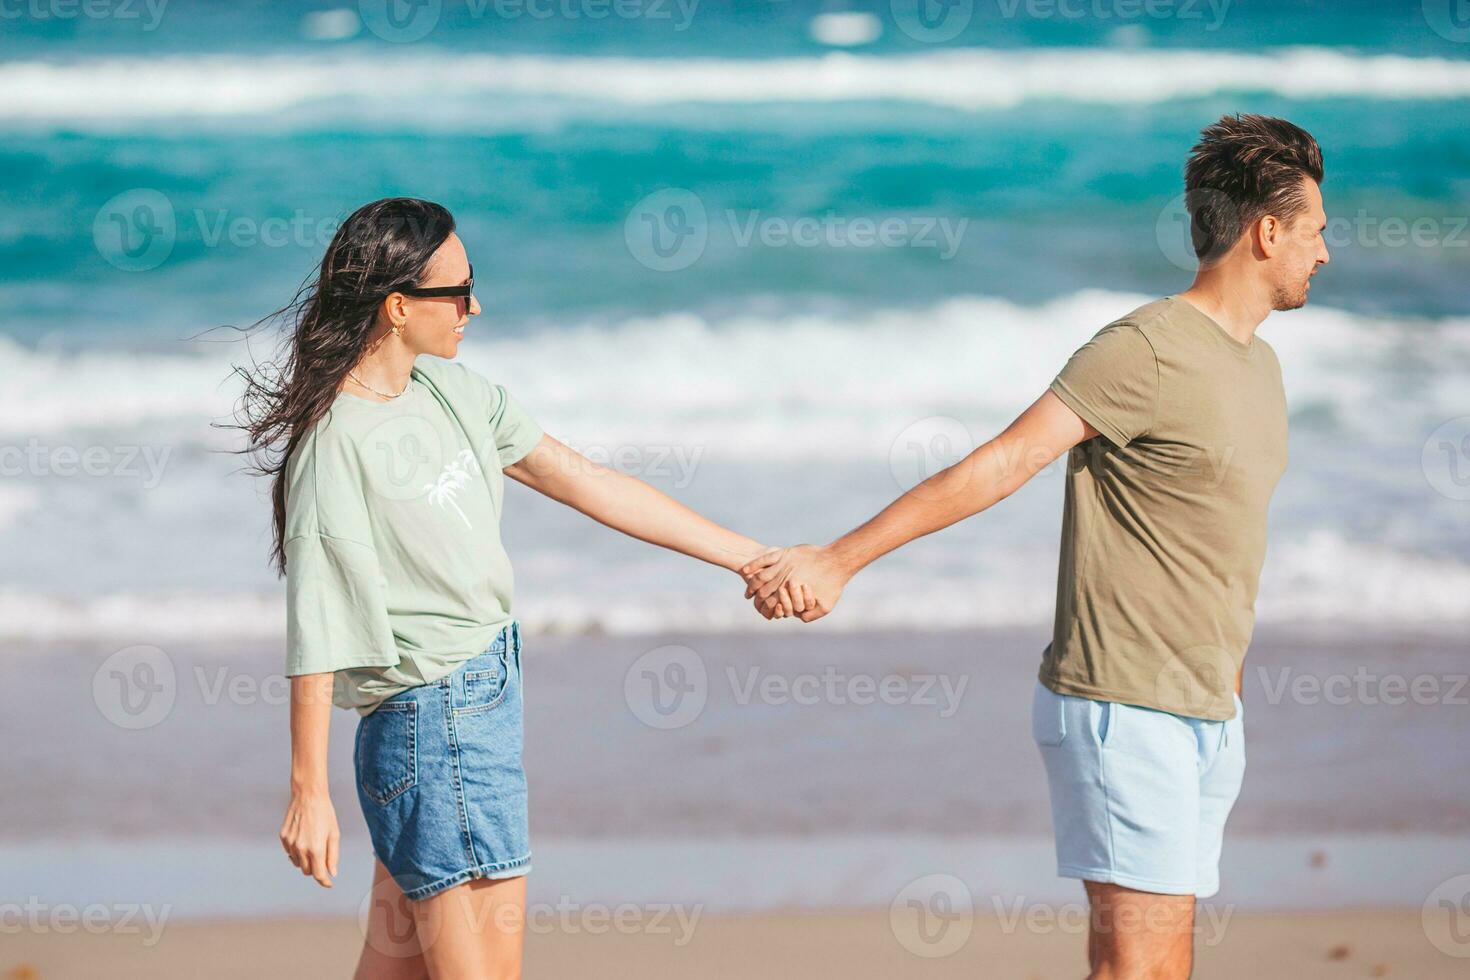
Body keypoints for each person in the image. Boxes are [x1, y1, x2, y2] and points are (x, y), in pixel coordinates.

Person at [741, 114, 1329, 979]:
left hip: (1207, 712)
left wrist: (1228, 691)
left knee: (1152, 967)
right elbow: (1003, 462)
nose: (1324, 252)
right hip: (1125, 707)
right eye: (1316, 230)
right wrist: (838, 559)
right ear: (1266, 230)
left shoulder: (1261, 368)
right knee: (1142, 968)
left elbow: (1218, 541)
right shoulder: (1145, 349)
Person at [237, 197, 792, 979]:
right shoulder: (335, 445)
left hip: (484, 702)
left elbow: (593, 484)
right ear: (399, 307)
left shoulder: (457, 395)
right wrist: (307, 792)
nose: (476, 306)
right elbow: (316, 620)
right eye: (458, 292)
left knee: (392, 966)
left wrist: (752, 558)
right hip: (432, 726)